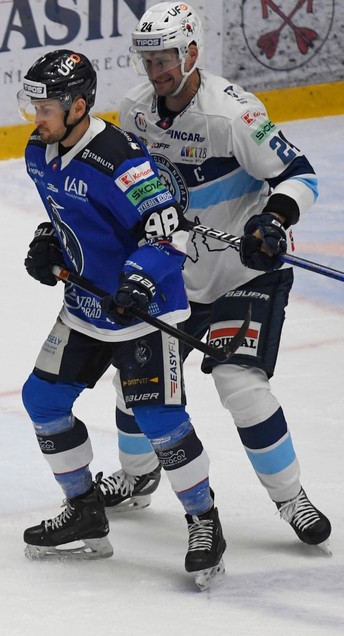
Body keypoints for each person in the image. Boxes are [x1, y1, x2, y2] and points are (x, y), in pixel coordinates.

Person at [101, 2, 330, 550]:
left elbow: (300, 175)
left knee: (240, 383)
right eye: (148, 59)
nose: (156, 72)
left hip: (242, 272)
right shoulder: (135, 111)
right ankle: (137, 476)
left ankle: (290, 497)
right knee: (135, 381)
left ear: (193, 52)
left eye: (167, 59)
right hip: (173, 271)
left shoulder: (233, 115)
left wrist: (272, 219)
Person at [17, 48, 225, 587]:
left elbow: (170, 231)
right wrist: (49, 246)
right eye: (32, 105)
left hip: (145, 308)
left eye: (45, 107)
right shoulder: (38, 153)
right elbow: (70, 220)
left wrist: (137, 278)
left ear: (79, 105)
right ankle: (84, 508)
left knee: (158, 418)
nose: (35, 118)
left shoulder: (120, 160)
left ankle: (205, 521)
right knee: (42, 399)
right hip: (87, 307)